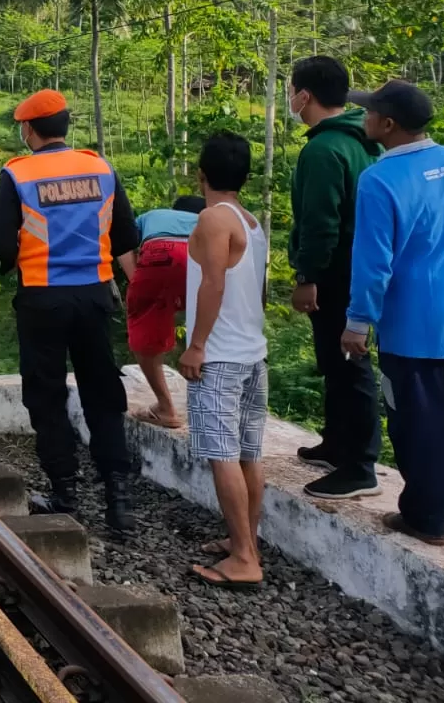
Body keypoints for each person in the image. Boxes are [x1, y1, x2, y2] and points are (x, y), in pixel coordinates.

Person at [0, 90, 141, 533]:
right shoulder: (100, 167)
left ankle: (65, 491)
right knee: (102, 392)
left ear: (28, 130)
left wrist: (17, 258)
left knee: (46, 393)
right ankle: (119, 501)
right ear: (65, 127)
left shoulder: (17, 174)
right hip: (95, 296)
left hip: (42, 298)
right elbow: (126, 234)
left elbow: (1, 243)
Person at [341, 80, 444, 547]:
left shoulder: (379, 180)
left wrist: (357, 322)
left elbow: (374, 262)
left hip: (413, 326)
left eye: (369, 112)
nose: (363, 117)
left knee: (419, 420)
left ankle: (425, 516)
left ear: (387, 124)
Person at [286, 55, 383, 500]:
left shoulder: (323, 150)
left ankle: (360, 465)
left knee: (348, 364)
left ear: (304, 95)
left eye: (292, 91)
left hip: (334, 272)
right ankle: (337, 443)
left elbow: (320, 222)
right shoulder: (364, 142)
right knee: (336, 360)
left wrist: (307, 275)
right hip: (358, 267)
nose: (291, 99)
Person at [181, 132, 270, 589]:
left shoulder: (213, 219)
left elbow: (212, 283)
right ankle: (246, 542)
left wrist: (197, 345)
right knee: (248, 454)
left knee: (222, 455)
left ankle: (243, 559)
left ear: (202, 174)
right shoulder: (251, 221)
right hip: (252, 352)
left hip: (221, 356)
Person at [125, 195, 205, 429]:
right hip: (203, 255)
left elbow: (122, 245)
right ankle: (212, 407)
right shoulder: (211, 219)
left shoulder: (153, 216)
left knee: (144, 328)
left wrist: (135, 278)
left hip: (160, 252)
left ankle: (165, 407)